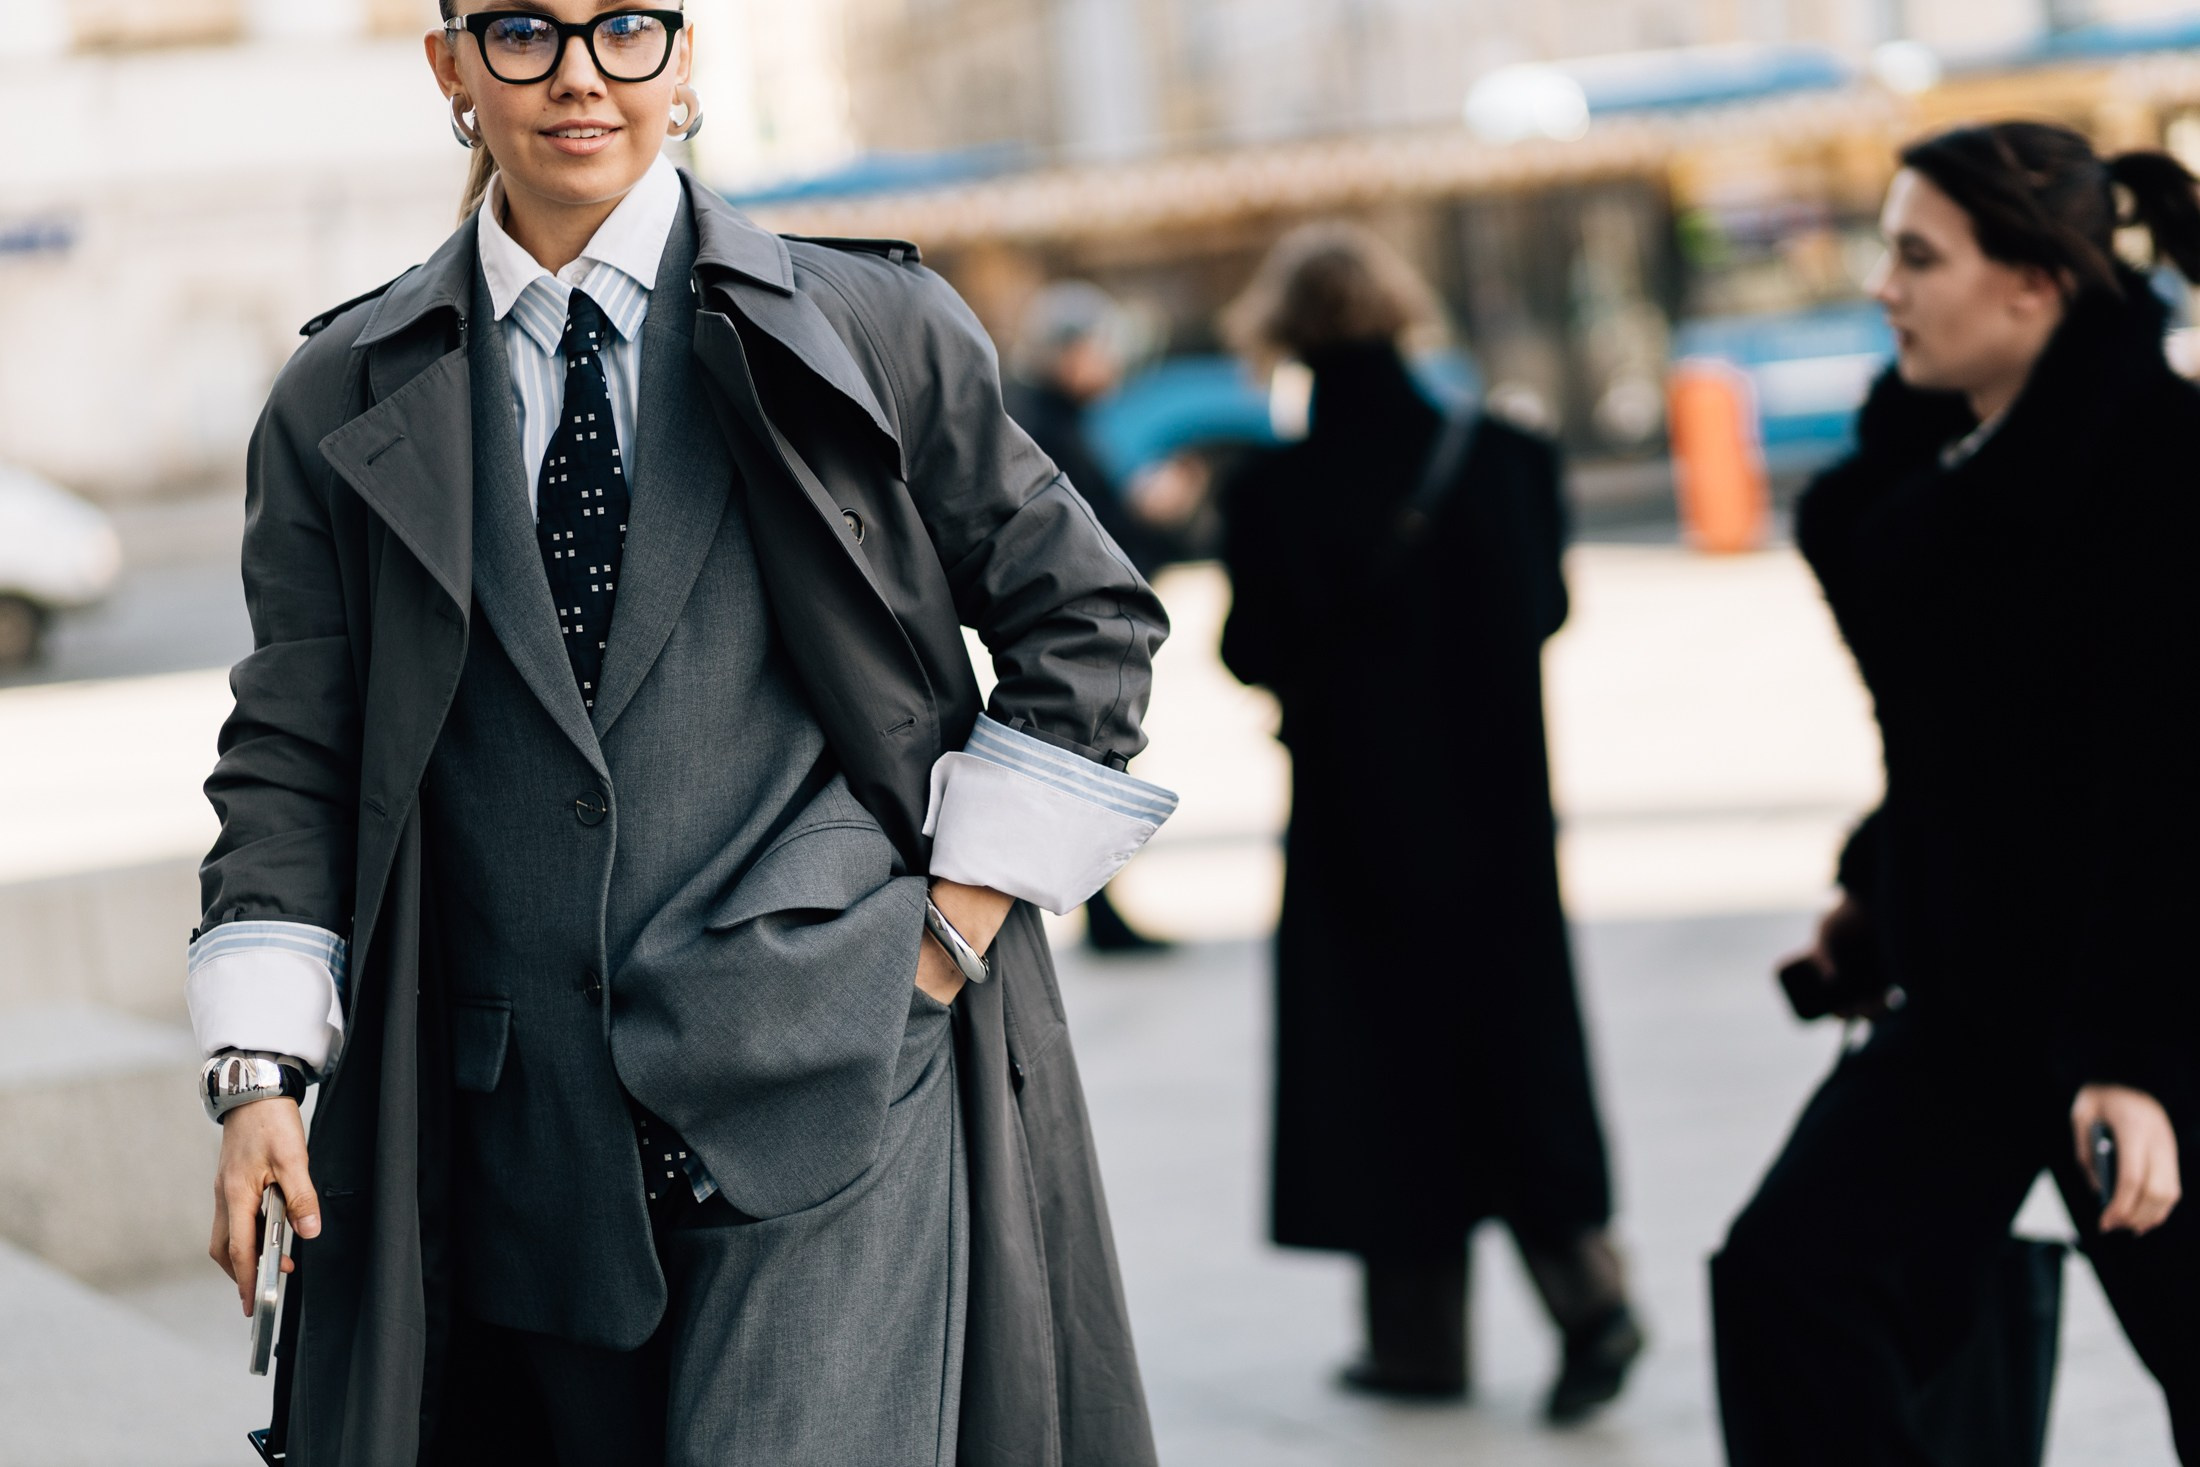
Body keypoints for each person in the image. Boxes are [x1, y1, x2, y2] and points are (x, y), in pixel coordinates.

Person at [188, 5, 1176, 1463]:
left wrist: (943, 932)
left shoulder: (873, 329)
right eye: (524, 30)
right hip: (520, 1136)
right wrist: (260, 1071)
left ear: (688, 59)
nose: (580, 70)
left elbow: (1088, 620)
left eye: (627, 27)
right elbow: (293, 748)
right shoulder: (342, 392)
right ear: (451, 66)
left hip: (842, 1071)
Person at [1712, 121, 2200, 1465]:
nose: (1884, 286)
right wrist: (1879, 890)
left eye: (1917, 256)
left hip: (2148, 1001)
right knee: (1793, 1280)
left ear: (2032, 282)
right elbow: (1970, 755)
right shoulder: (1934, 481)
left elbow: (2172, 788)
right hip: (1985, 995)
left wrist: (2139, 1058)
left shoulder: (2166, 466)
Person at [1216, 222, 1640, 1422]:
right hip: (1500, 815)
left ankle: (1418, 1341)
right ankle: (1588, 1298)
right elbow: (1548, 606)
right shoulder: (1505, 455)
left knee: (1378, 1062)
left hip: (1356, 822)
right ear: (1404, 315)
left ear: (1284, 335)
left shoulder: (1272, 488)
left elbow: (1251, 651)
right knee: (1515, 1050)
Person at [1004, 281, 1171, 955]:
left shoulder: (1042, 419)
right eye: (1100, 348)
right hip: (1069, 629)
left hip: (1066, 625)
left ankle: (1106, 912)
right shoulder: (1048, 427)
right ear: (1066, 353)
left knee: (1090, 762)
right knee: (1084, 762)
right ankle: (1101, 916)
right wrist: (1150, 513)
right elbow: (1088, 537)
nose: (1111, 363)